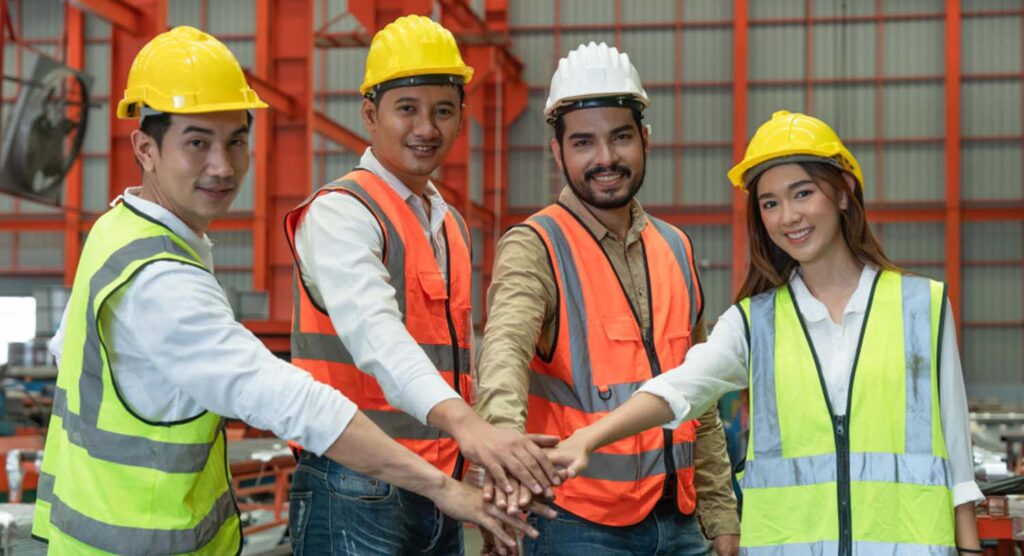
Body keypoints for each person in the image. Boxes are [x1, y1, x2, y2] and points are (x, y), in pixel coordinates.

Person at [30, 26, 533, 555]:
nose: (222, 166)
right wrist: (448, 473)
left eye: (237, 141)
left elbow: (69, 353)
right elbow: (292, 396)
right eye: (197, 142)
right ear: (145, 148)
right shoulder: (163, 277)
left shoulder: (119, 232)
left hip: (121, 532)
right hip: (193, 529)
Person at [550, 110, 985, 555]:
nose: (788, 216)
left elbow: (956, 460)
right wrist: (590, 436)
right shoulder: (753, 322)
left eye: (802, 193)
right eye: (770, 202)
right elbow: (679, 389)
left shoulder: (922, 305)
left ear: (842, 193)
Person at [284, 15, 561, 555]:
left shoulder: (448, 224)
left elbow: (456, 360)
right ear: (370, 115)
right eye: (406, 109)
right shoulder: (342, 213)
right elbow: (378, 338)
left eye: (443, 110)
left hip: (438, 487)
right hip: (354, 486)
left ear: (462, 118)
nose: (426, 128)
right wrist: (469, 427)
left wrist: (482, 477)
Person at [474, 41, 740, 556]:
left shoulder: (676, 248)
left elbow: (701, 394)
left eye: (620, 137)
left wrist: (720, 513)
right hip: (576, 523)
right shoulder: (536, 245)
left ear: (644, 140)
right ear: (558, 152)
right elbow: (502, 364)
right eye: (583, 143)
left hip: (681, 524)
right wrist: (502, 489)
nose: (605, 159)